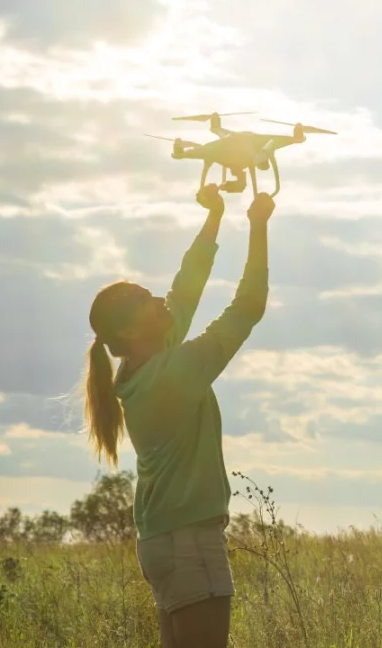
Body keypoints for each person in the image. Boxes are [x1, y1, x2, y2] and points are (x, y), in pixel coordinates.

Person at [82, 184, 272, 648]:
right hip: (188, 545)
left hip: (162, 541)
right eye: (148, 301)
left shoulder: (140, 366)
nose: (161, 300)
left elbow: (186, 286)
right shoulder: (171, 374)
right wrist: (259, 225)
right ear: (130, 329)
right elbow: (246, 309)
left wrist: (215, 216)